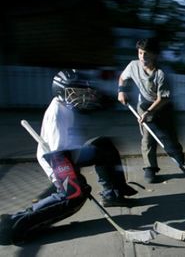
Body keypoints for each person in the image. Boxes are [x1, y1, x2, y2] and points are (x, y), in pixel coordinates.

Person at [0, 69, 137, 245]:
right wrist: (75, 181)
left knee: (104, 146)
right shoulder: (57, 115)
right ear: (61, 91)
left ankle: (112, 194)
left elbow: (98, 104)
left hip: (72, 152)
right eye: (76, 92)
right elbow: (58, 157)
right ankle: (16, 225)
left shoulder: (68, 104)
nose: (82, 95)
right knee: (74, 196)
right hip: (58, 161)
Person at [117, 38, 185, 183]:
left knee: (169, 135)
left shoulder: (161, 74)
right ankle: (150, 168)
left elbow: (164, 98)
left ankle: (176, 150)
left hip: (163, 106)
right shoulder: (133, 65)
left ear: (155, 55)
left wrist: (150, 112)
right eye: (140, 53)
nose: (142, 57)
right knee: (148, 137)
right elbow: (122, 78)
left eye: (146, 54)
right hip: (144, 105)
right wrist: (121, 91)